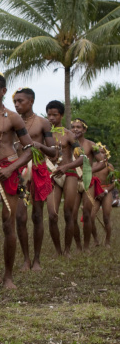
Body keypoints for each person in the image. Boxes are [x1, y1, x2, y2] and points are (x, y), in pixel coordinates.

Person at [0, 73, 33, 290]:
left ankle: (8, 276)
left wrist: (11, 168)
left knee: (8, 225)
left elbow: (29, 150)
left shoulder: (13, 117)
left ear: (3, 91)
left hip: (8, 172)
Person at [12, 88, 57, 271]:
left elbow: (54, 151)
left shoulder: (43, 123)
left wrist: (38, 145)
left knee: (37, 216)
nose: (16, 105)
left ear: (30, 102)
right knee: (20, 217)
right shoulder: (11, 122)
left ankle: (37, 259)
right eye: (14, 101)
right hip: (19, 172)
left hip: (38, 169)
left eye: (20, 101)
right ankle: (26, 259)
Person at [45, 101, 84, 257]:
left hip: (69, 174)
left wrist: (66, 167)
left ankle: (67, 250)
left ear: (61, 115)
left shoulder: (69, 134)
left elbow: (82, 158)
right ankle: (57, 250)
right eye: (49, 114)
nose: (51, 118)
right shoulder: (45, 134)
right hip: (53, 175)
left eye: (55, 115)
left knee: (68, 213)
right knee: (52, 215)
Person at [70, 118, 106, 251]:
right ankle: (78, 246)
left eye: (78, 127)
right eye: (73, 127)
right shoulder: (69, 144)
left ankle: (86, 246)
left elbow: (103, 162)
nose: (75, 129)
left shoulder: (91, 145)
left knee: (86, 213)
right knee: (72, 215)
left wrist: (89, 170)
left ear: (84, 129)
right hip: (72, 181)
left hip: (87, 181)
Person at [90, 144, 114, 247]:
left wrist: (105, 191)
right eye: (99, 152)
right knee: (90, 217)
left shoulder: (109, 166)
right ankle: (96, 240)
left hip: (106, 192)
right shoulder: (92, 166)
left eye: (103, 152)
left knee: (106, 217)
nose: (101, 154)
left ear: (107, 154)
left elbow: (115, 182)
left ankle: (107, 242)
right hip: (95, 193)